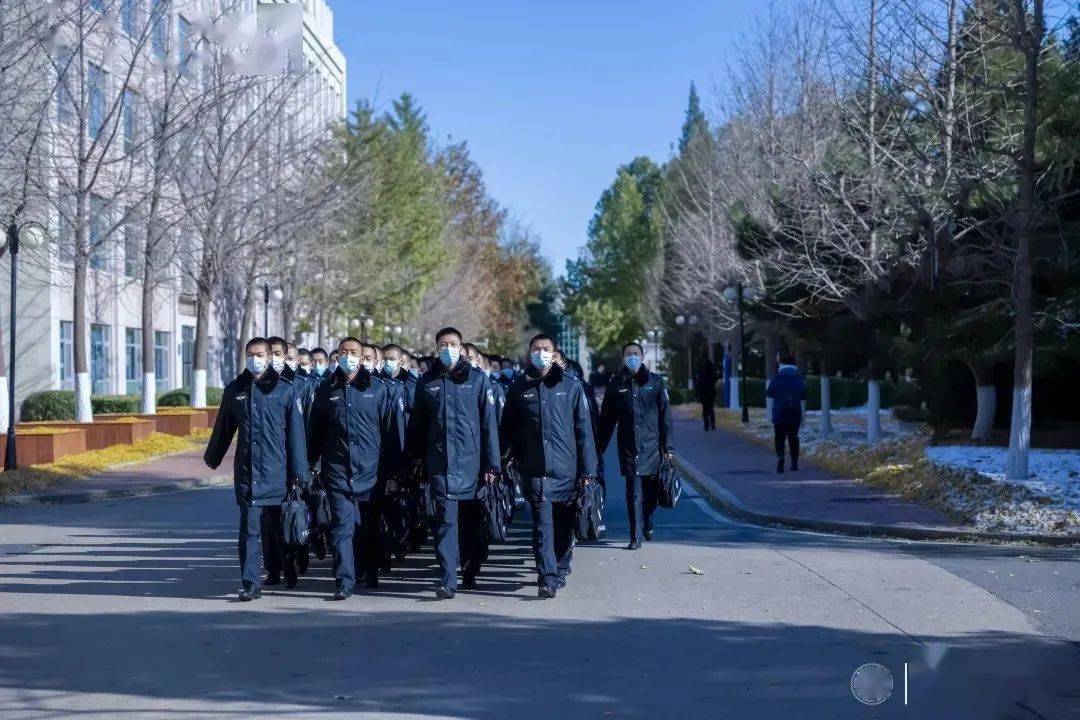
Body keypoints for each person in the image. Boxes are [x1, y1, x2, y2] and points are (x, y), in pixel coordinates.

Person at [203, 337, 307, 601]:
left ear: (269, 357)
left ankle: (285, 568)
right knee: (249, 529)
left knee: (278, 528)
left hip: (279, 473)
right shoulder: (236, 389)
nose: (255, 359)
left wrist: (299, 474)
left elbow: (296, 436)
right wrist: (213, 456)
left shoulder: (285, 390)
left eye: (259, 354)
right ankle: (251, 582)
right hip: (248, 473)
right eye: (250, 354)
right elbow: (223, 428)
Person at [307, 337, 404, 600]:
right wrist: (308, 465)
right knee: (342, 527)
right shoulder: (326, 390)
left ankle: (369, 569)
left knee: (368, 527)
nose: (348, 356)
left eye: (353, 352)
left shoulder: (379, 389)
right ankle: (344, 580)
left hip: (372, 471)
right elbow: (314, 433)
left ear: (362, 358)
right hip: (337, 470)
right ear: (337, 356)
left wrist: (394, 472)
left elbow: (391, 434)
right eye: (343, 352)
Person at [406, 327, 500, 599]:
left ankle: (470, 569)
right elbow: (417, 426)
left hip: (472, 466)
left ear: (461, 347)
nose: (448, 349)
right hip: (440, 464)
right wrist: (415, 459)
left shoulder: (478, 380)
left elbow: (488, 426)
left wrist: (492, 465)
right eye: (443, 345)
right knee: (445, 523)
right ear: (437, 349)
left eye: (453, 344)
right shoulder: (427, 382)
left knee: (470, 524)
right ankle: (447, 579)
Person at [502, 335, 597, 598]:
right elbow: (508, 427)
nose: (540, 353)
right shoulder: (519, 387)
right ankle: (547, 577)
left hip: (567, 469)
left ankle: (561, 564)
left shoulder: (571, 386)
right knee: (542, 526)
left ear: (554, 353)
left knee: (563, 525)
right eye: (536, 349)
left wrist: (588, 471)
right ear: (529, 353)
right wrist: (508, 456)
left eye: (545, 349)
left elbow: (584, 431)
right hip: (535, 469)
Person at [598, 342, 674, 550]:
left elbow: (665, 417)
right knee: (633, 494)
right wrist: (598, 449)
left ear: (642, 356)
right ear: (623, 358)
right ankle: (635, 535)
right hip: (629, 448)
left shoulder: (655, 382)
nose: (632, 357)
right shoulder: (616, 385)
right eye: (628, 354)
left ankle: (648, 519)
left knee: (651, 493)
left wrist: (668, 448)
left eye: (636, 354)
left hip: (652, 447)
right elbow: (606, 421)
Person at [766, 355, 807, 473]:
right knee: (793, 438)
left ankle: (781, 457)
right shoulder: (798, 378)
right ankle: (794, 463)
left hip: (779, 413)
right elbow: (803, 396)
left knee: (779, 437)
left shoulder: (778, 377)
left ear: (782, 365)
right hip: (794, 413)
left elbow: (769, 393)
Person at [694, 353, 718, 431]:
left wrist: (697, 393)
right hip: (711, 393)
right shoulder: (712, 373)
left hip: (704, 393)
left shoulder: (702, 373)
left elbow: (698, 383)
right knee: (711, 408)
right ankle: (713, 423)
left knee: (705, 409)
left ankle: (706, 424)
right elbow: (715, 379)